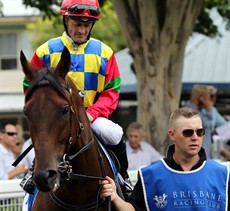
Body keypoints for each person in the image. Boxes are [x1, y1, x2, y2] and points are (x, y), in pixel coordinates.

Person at [22, 0, 130, 188]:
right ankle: (33, 172)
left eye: (86, 25)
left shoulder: (105, 53)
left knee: (114, 134)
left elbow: (112, 90)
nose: (81, 30)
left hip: (91, 116)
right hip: (56, 116)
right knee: (45, 135)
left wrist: (92, 113)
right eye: (77, 24)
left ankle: (123, 177)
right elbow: (29, 84)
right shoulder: (45, 51)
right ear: (66, 21)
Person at [100, 107, 230, 210]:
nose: (195, 137)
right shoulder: (150, 175)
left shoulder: (223, 174)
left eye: (200, 132)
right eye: (188, 132)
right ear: (172, 135)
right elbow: (133, 209)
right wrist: (115, 197)